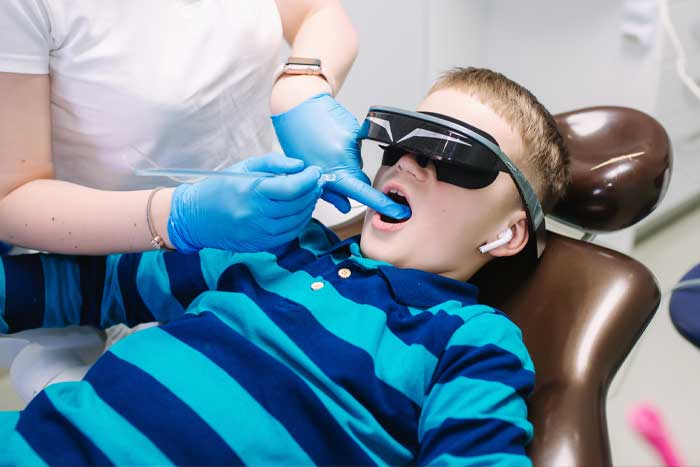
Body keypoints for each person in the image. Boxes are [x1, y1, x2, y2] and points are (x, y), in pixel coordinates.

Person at [0, 67, 569, 465]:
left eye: (453, 155)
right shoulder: (274, 245)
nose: (411, 164)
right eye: (399, 141)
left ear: (508, 232)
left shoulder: (471, 341)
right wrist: (180, 218)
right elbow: (68, 290)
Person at [0, 0, 409, 395]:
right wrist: (175, 217)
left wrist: (302, 87)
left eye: (462, 162)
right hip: (93, 255)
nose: (415, 165)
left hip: (251, 241)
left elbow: (318, 11)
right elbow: (11, 199)